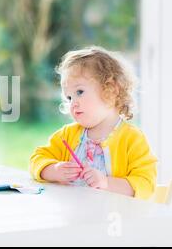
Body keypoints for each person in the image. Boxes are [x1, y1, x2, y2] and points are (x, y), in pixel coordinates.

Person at [30, 46, 157, 199]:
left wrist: (106, 183)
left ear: (111, 89)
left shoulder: (132, 139)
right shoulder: (67, 134)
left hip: (114, 220)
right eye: (69, 97)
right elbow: (37, 159)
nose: (73, 103)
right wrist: (53, 170)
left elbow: (146, 183)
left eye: (79, 92)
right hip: (73, 218)